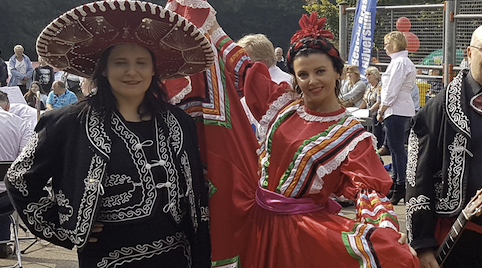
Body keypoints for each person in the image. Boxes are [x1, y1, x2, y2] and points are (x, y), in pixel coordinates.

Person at [5, 1, 212, 267]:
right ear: (103, 69)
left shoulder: (179, 122)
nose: (131, 71)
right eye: (120, 62)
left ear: (153, 70)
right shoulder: (67, 122)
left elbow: (196, 197)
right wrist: (66, 226)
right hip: (105, 258)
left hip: (177, 256)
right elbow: (20, 178)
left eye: (141, 62)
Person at [206, 11, 419, 268]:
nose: (312, 81)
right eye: (303, 74)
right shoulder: (282, 106)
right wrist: (208, 21)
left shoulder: (351, 135)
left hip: (299, 234)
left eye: (320, 71)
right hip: (255, 221)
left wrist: (385, 230)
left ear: (338, 72)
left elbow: (368, 192)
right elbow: (243, 67)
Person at [406, 25, 482, 268]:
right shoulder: (440, 108)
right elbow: (417, 177)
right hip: (460, 235)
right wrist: (422, 244)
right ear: (469, 54)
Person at [376, 31, 416, 205]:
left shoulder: (400, 62)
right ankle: (397, 182)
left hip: (396, 108)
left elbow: (392, 88)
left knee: (397, 149)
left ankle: (401, 185)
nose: (385, 46)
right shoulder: (399, 61)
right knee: (394, 148)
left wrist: (382, 108)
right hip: (397, 108)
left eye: (387, 43)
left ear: (395, 43)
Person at [0, 91, 32, 258]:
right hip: (8, 199)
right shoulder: (20, 124)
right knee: (8, 187)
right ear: (7, 106)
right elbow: (25, 163)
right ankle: (3, 243)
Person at [360, 66, 383, 148]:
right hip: (368, 110)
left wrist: (369, 111)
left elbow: (379, 101)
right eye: (366, 75)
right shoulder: (369, 86)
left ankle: (375, 143)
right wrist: (358, 110)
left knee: (373, 116)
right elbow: (365, 100)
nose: (367, 76)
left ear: (375, 75)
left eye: (369, 74)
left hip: (377, 110)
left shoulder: (381, 86)